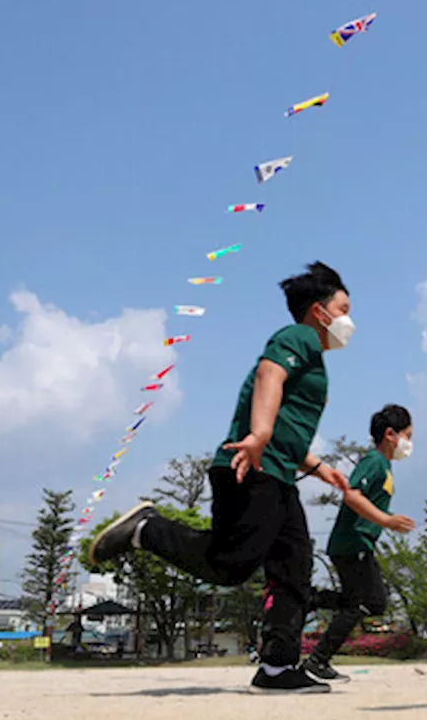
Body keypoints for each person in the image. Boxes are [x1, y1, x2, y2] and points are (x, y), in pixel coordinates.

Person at [88, 261, 354, 694]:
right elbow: (270, 375)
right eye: (343, 308)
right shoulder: (299, 337)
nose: (348, 319)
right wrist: (259, 434)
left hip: (277, 472)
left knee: (294, 568)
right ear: (318, 312)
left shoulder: (313, 355)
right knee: (229, 565)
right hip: (251, 467)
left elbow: (285, 422)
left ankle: (277, 668)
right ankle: (148, 529)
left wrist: (319, 467)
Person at [302, 403, 416, 682]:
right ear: (390, 434)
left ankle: (311, 600)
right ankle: (317, 657)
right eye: (407, 436)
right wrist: (386, 520)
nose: (409, 444)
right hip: (351, 543)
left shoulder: (384, 466)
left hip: (359, 544)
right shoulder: (373, 461)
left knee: (371, 602)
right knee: (367, 602)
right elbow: (352, 495)